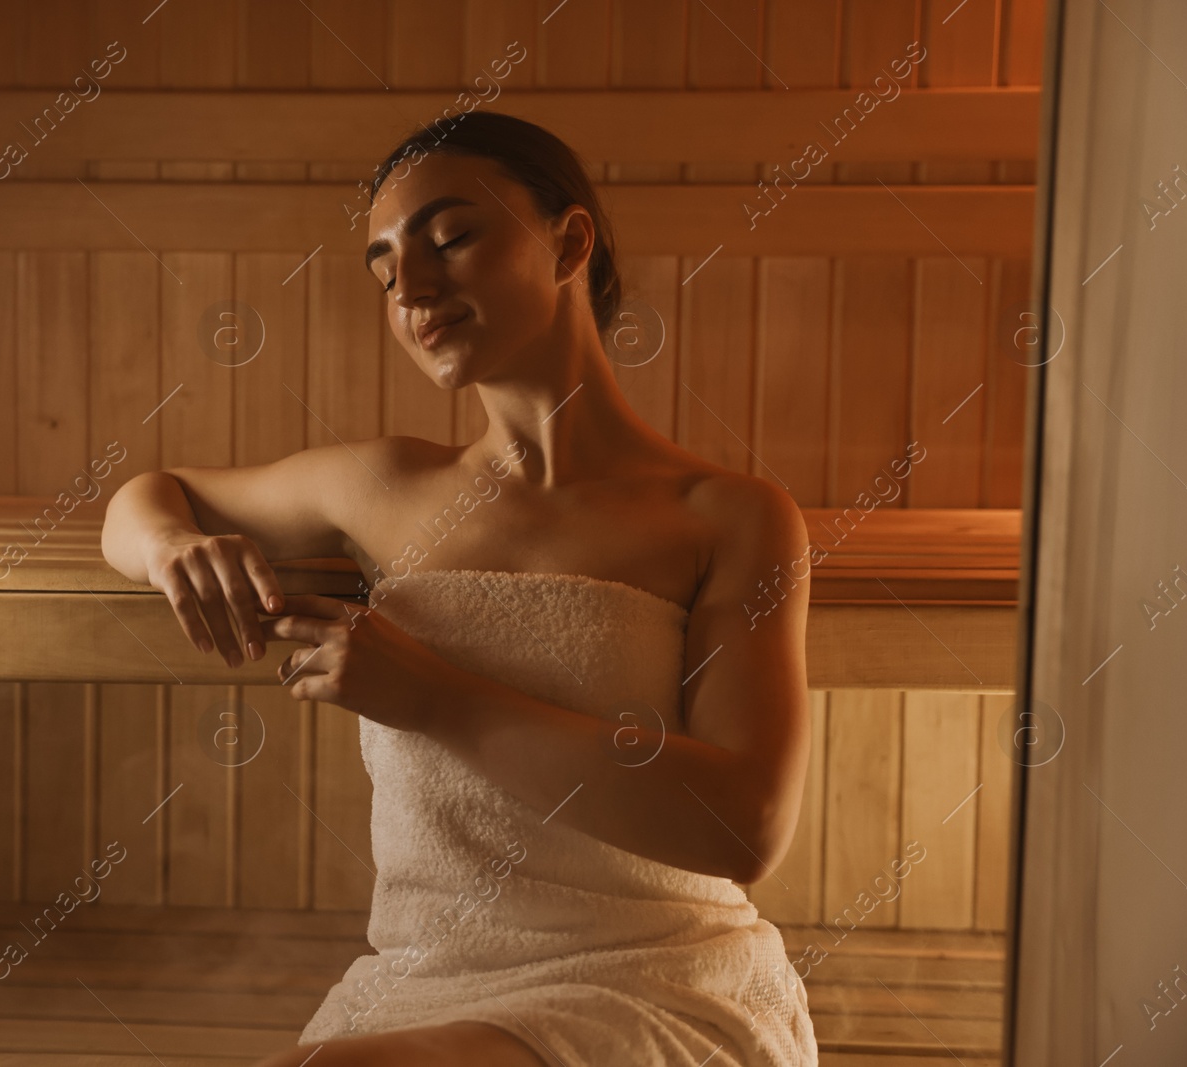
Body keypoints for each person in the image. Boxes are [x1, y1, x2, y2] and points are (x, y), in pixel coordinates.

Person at [101, 111, 817, 1067]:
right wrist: (171, 549)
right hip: (423, 980)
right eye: (385, 268)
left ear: (569, 242)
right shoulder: (382, 487)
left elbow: (748, 824)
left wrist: (432, 697)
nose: (413, 287)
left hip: (657, 978)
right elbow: (145, 496)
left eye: (451, 238)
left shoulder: (725, 518)